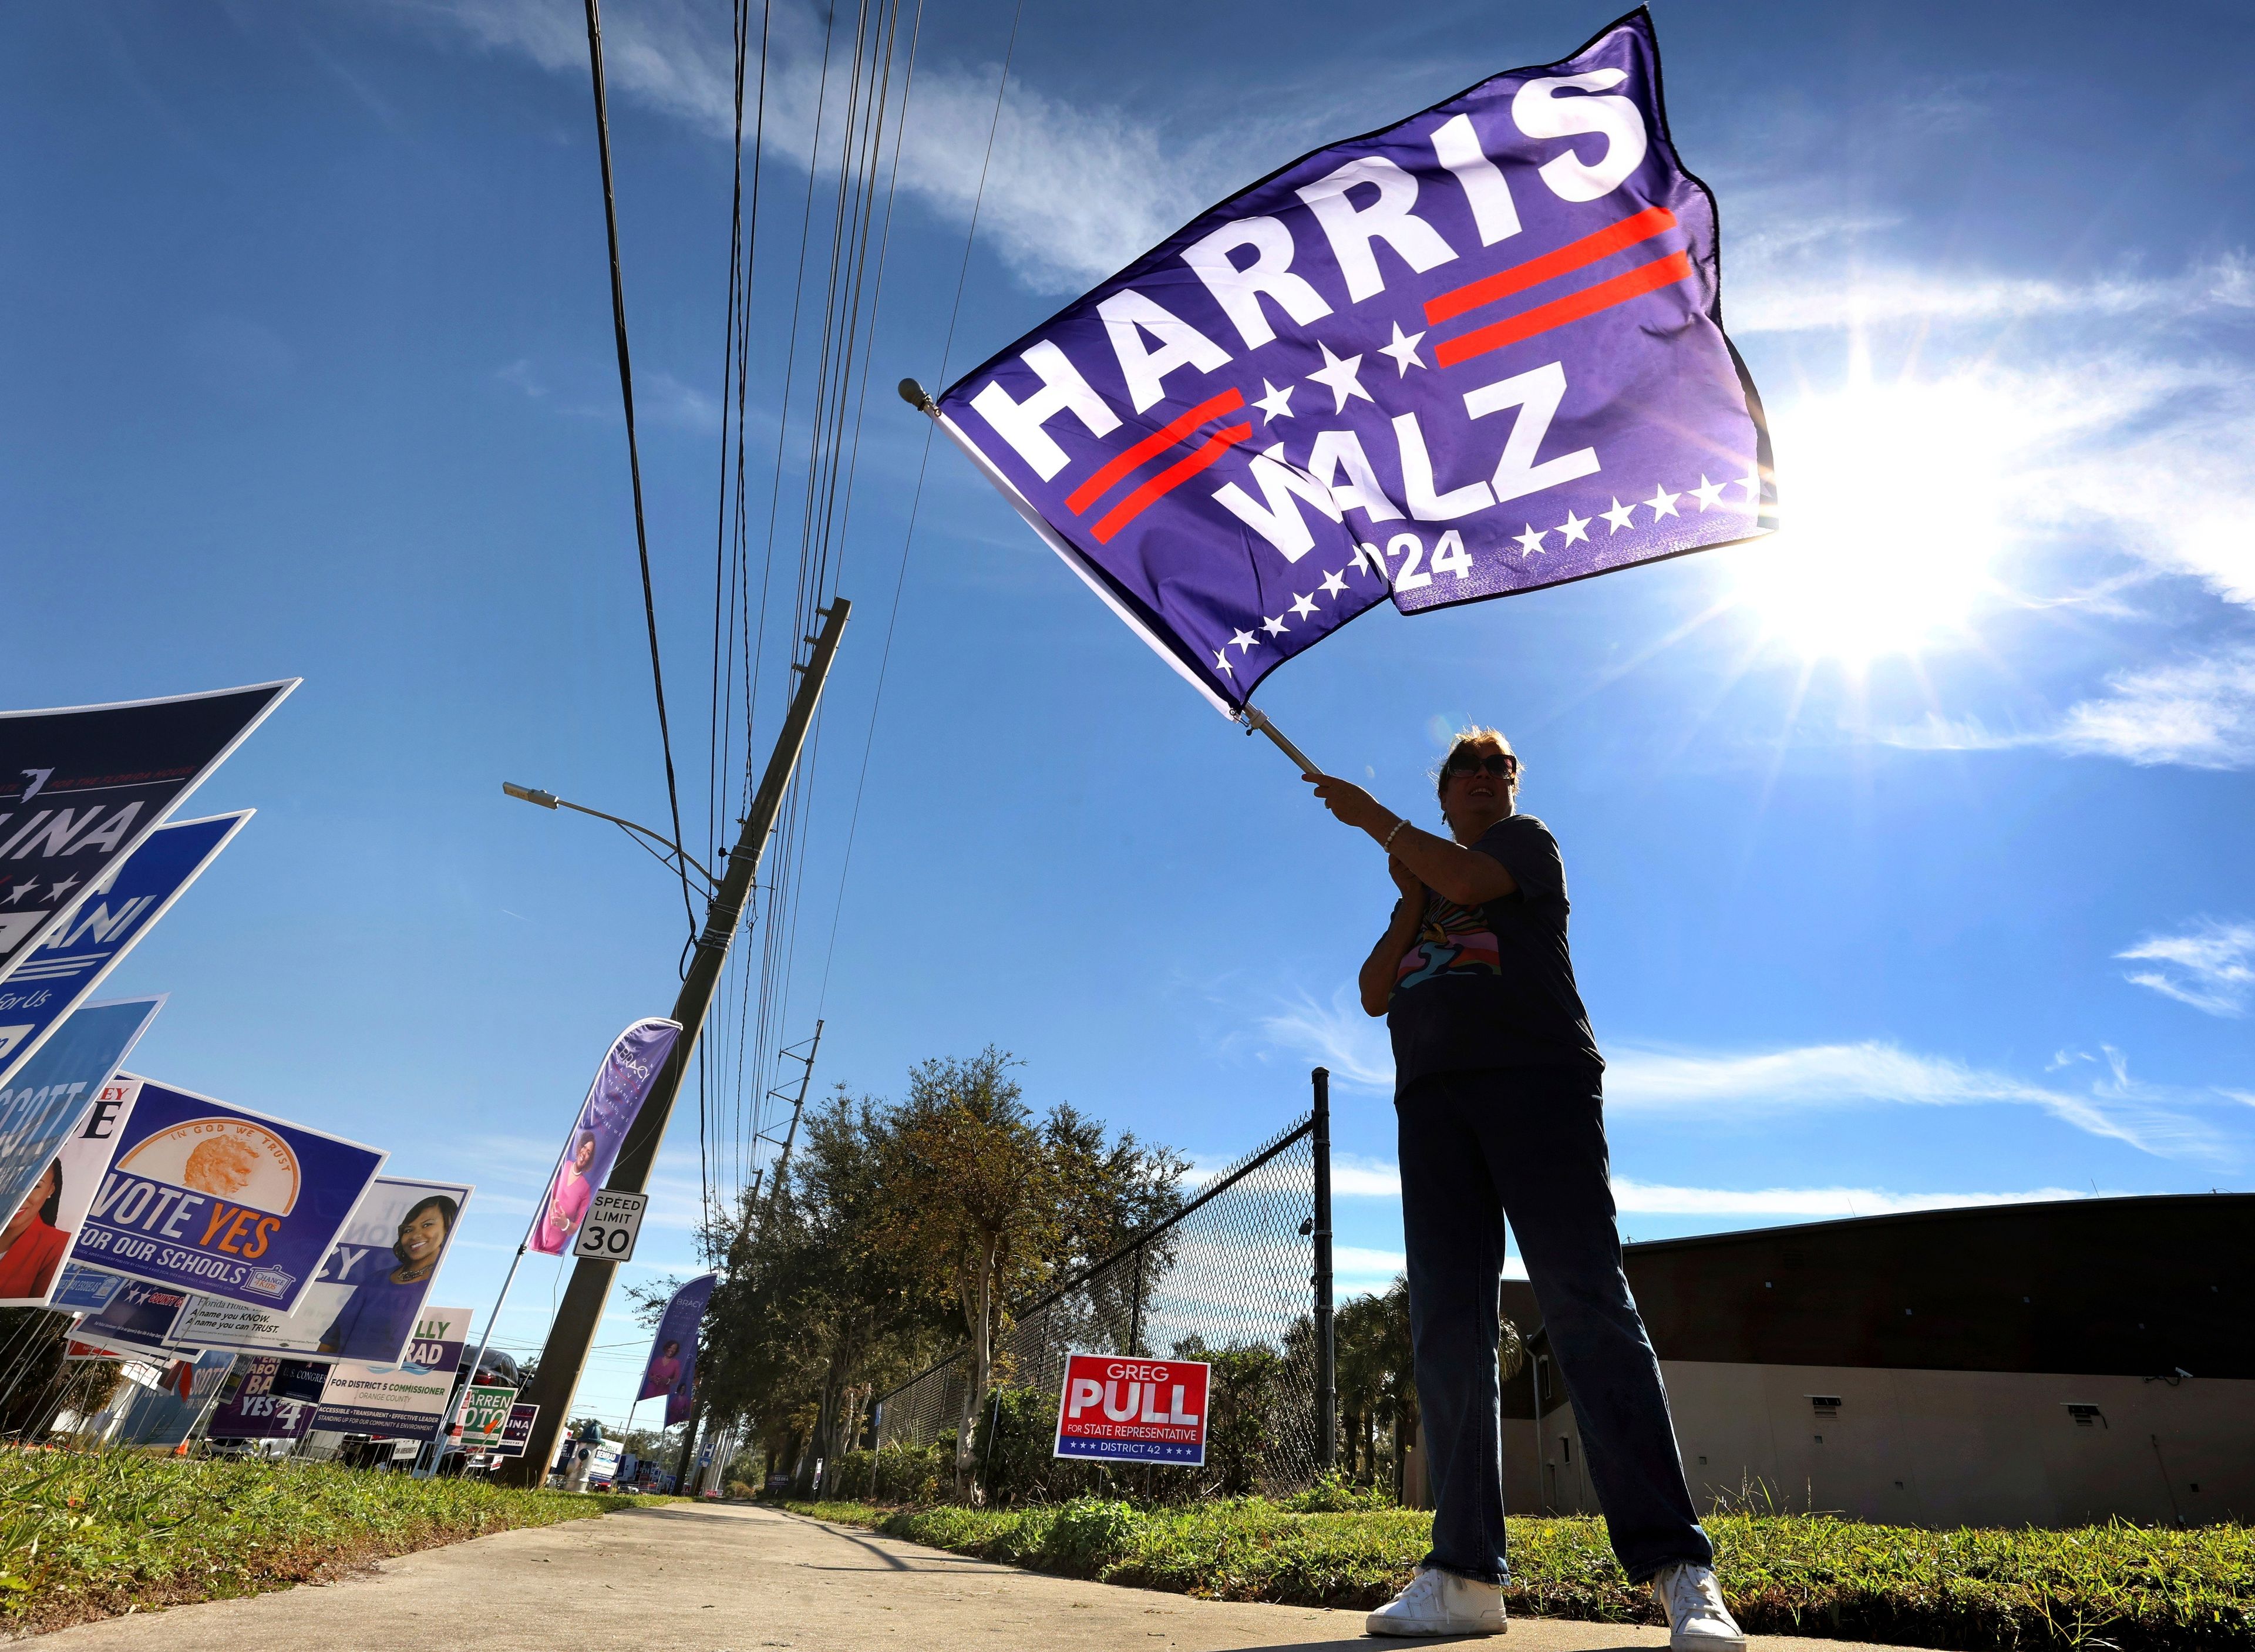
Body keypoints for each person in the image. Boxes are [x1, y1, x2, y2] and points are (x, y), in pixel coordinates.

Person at [1305, 728, 1745, 1649]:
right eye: (1464, 769)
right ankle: (1464, 1577)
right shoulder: (1429, 889)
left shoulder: (1523, 846)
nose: (1483, 777)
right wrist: (1407, 902)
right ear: (1444, 797)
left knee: (1584, 1300)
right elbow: (1375, 992)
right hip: (1433, 1108)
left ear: (1508, 788)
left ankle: (1680, 1569)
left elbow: (1467, 885)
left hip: (1536, 1083)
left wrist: (1371, 819)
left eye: (1495, 767)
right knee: (1447, 1330)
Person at [319, 1195, 458, 1361]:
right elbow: (332, 1338)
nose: (415, 1235)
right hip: (339, 1379)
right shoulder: (375, 1280)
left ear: (448, 1229)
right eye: (408, 1230)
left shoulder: (442, 1289)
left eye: (427, 1225)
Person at [0, 1159, 69, 1300]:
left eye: (35, 1186)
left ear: (51, 1190)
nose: (18, 1197)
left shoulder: (59, 1246)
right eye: (10, 1181)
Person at [542, 1131, 600, 1249]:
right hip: (543, 1228)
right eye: (584, 1147)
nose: (584, 1153)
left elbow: (576, 1226)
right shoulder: (564, 1166)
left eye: (589, 1152)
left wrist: (566, 1224)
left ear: (590, 1158)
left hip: (555, 1243)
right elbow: (552, 1190)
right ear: (579, 1147)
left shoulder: (586, 1189)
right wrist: (552, 1202)